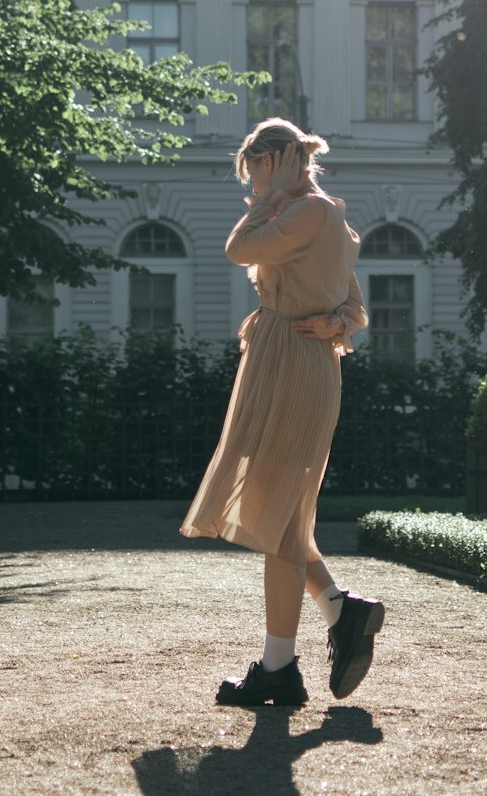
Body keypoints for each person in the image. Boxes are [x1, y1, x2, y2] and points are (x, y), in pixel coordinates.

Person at [180, 118, 384, 706]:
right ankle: (341, 613)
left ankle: (280, 667)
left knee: (279, 516)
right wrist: (340, 322)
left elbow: (237, 249)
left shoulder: (309, 213)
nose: (253, 186)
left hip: (295, 364)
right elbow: (354, 301)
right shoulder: (325, 218)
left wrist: (269, 200)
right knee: (286, 513)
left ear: (285, 156)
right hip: (286, 357)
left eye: (258, 171)